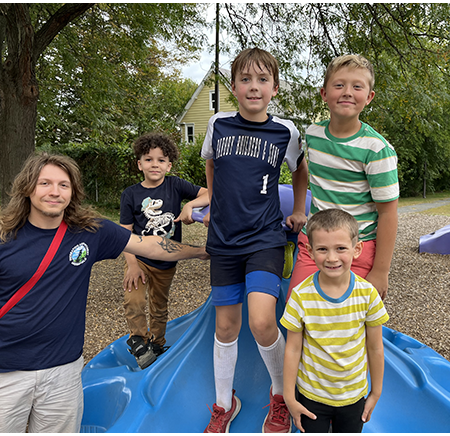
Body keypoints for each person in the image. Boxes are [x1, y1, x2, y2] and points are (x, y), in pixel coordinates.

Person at [0, 152, 208, 433]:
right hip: (5, 374)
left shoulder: (89, 233)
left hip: (64, 374)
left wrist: (203, 252)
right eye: (45, 183)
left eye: (64, 185)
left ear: (72, 192)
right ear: (27, 188)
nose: (55, 192)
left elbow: (151, 245)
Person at [200, 47, 309, 433]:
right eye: (245, 79)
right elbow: (212, 162)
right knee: (225, 328)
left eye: (263, 79)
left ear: (275, 88)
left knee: (263, 322)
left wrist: (298, 209)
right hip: (224, 241)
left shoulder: (286, 131)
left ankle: (281, 396)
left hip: (265, 237)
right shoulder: (217, 124)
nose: (254, 86)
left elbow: (300, 171)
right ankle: (223, 404)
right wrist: (213, 199)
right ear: (233, 86)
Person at [288, 54, 399, 301]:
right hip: (313, 242)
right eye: (339, 85)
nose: (347, 92)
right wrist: (299, 210)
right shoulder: (313, 135)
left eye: (357, 86)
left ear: (369, 97)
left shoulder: (376, 149)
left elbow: (388, 213)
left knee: (350, 318)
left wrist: (381, 270)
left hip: (357, 247)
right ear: (324, 93)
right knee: (299, 309)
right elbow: (302, 171)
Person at [281, 208, 389, 433]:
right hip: (312, 397)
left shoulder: (367, 294)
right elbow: (292, 349)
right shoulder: (300, 296)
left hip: (353, 397)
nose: (331, 258)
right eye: (322, 249)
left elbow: (375, 346)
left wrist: (376, 392)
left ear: (356, 249)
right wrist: (289, 397)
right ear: (310, 251)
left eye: (340, 248)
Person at [119, 132, 209, 369]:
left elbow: (211, 193)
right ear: (139, 164)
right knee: (134, 298)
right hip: (140, 259)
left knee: (159, 305)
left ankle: (156, 344)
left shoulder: (176, 185)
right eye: (148, 159)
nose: (155, 164)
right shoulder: (130, 194)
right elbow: (124, 233)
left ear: (169, 165)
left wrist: (190, 204)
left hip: (167, 261)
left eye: (161, 160)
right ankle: (139, 340)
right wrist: (132, 265)